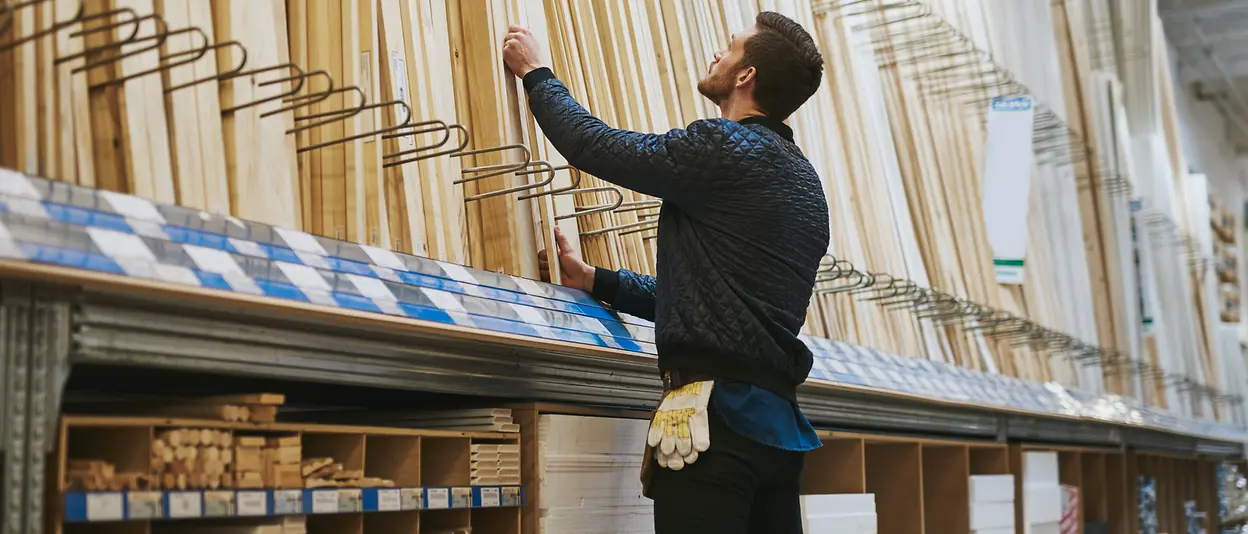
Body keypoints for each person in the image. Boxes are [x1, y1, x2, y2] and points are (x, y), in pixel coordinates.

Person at [503, 11, 829, 534]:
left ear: (747, 76)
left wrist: (536, 73)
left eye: (729, 47)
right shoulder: (806, 184)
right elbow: (707, 301)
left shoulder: (726, 149)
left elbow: (594, 147)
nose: (716, 54)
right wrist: (596, 281)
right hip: (776, 434)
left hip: (714, 424)